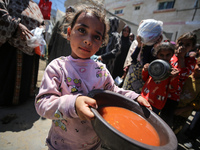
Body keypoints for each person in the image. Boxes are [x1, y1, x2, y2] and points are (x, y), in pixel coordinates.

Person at [35, 5, 152, 150]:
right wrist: (74, 104)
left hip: (94, 144)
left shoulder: (101, 70)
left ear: (102, 43)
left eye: (96, 36)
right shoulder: (57, 67)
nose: (88, 40)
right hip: (61, 145)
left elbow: (113, 91)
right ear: (69, 32)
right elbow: (42, 104)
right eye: (82, 30)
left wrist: (134, 97)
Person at [0, 0, 44, 105]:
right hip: (12, 46)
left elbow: (41, 22)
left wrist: (41, 28)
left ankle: (24, 98)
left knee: (27, 75)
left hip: (31, 47)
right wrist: (17, 25)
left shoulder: (34, 5)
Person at [160, 32, 197, 127]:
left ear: (192, 47)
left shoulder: (191, 61)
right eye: (181, 43)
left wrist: (181, 58)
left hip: (172, 96)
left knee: (163, 122)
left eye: (187, 45)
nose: (183, 47)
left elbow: (183, 74)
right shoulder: (170, 55)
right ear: (177, 43)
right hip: (160, 91)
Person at [122, 19, 163, 94]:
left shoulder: (153, 47)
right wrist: (139, 45)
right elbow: (133, 58)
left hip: (143, 76)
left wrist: (156, 46)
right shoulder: (137, 43)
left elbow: (150, 60)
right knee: (126, 95)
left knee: (136, 98)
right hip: (132, 74)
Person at [141, 41, 179, 114]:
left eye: (168, 55)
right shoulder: (154, 66)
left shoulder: (172, 71)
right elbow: (144, 79)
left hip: (157, 103)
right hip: (144, 97)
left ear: (172, 55)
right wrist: (145, 70)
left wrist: (174, 78)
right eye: (161, 55)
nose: (164, 58)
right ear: (157, 55)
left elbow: (172, 90)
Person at [173, 57, 200, 134]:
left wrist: (182, 110)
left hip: (183, 114)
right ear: (195, 64)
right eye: (199, 65)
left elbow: (197, 103)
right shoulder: (186, 75)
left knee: (173, 133)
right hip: (172, 105)